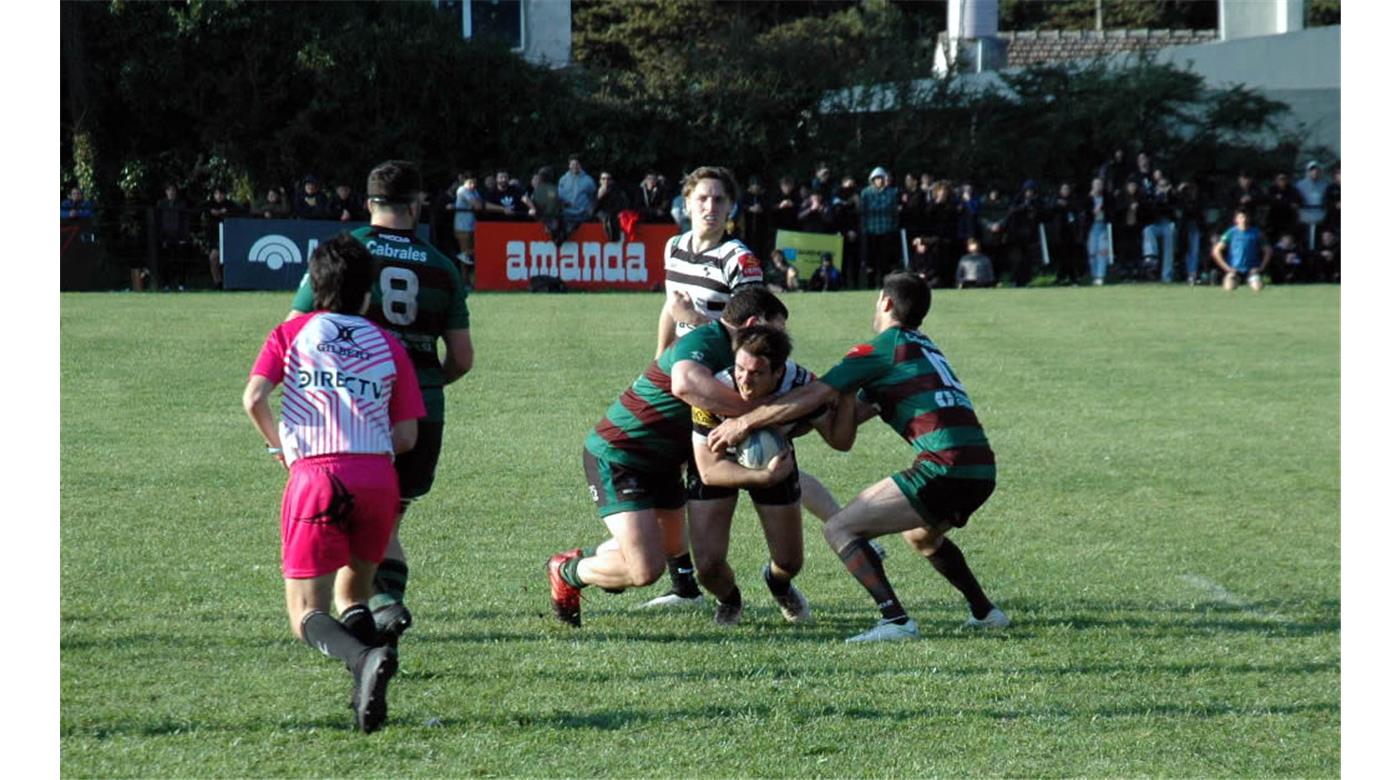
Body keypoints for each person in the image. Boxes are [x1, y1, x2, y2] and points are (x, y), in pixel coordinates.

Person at [707, 272, 1008, 642]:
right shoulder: (921, 348)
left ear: (885, 302)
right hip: (980, 469)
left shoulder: (880, 349)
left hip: (945, 466)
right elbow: (841, 423)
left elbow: (815, 394)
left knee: (840, 528)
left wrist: (744, 423)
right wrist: (792, 423)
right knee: (922, 536)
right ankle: (985, 612)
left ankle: (895, 620)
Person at [244, 233, 425, 733]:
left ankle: (364, 659)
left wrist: (281, 447)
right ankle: (369, 672)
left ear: (314, 286)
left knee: (305, 613)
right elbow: (407, 436)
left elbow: (254, 398)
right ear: (368, 294)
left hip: (317, 475)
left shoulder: (291, 333)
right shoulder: (389, 344)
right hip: (378, 478)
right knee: (355, 595)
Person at [287, 160, 474, 643]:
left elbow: (296, 330)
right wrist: (423, 385)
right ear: (417, 205)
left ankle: (375, 611)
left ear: (369, 202)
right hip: (420, 414)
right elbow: (462, 358)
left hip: (347, 412)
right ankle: (377, 612)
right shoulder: (442, 266)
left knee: (349, 521)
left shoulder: (345, 254)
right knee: (385, 520)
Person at [545, 288, 792, 627]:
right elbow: (685, 384)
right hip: (621, 455)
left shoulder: (736, 351)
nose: (780, 341)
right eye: (776, 330)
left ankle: (626, 564)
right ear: (752, 324)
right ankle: (567, 570)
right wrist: (755, 416)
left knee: (670, 545)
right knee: (644, 570)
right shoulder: (707, 341)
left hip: (664, 461)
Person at [646, 166, 768, 608]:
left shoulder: (740, 260)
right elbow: (670, 307)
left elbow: (754, 335)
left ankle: (836, 528)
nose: (710, 207)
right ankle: (684, 586)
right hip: (680, 377)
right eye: (702, 198)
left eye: (719, 199)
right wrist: (659, 358)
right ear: (686, 203)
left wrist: (696, 321)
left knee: (766, 463)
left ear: (731, 207)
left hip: (720, 385)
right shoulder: (674, 246)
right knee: (665, 471)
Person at [687, 325, 856, 626]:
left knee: (789, 562)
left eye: (756, 373)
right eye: (740, 368)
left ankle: (778, 585)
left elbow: (839, 440)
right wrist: (764, 478)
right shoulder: (714, 389)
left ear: (779, 372)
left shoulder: (799, 384)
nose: (744, 379)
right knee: (708, 567)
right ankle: (729, 600)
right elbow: (710, 472)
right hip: (718, 462)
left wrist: (847, 393)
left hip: (776, 458)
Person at [858, 167, 900, 289]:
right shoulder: (865, 193)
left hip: (886, 231)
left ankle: (884, 285)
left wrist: (893, 228)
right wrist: (864, 229)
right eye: (876, 178)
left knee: (885, 261)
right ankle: (871, 285)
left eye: (881, 178)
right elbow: (863, 213)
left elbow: (895, 213)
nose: (879, 181)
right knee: (870, 261)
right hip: (870, 232)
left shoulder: (892, 193)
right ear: (872, 180)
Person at [1211, 209, 1272, 292]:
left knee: (1258, 288)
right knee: (1229, 288)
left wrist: (1261, 267)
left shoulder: (1256, 233)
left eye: (1245, 217)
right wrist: (1227, 268)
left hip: (1251, 270)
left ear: (1249, 218)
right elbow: (1216, 251)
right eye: (1241, 217)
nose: (1243, 220)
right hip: (1235, 270)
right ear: (1236, 219)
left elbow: (1268, 250)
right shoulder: (1231, 232)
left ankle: (1252, 280)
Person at [202, 185, 243, 289]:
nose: (219, 196)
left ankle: (233, 282)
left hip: (230, 238)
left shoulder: (230, 205)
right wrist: (210, 211)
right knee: (213, 257)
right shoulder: (210, 204)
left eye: (221, 193)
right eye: (216, 194)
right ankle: (217, 283)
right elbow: (200, 208)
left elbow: (240, 210)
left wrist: (226, 212)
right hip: (215, 237)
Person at [452, 172, 483, 286]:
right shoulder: (462, 190)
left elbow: (480, 203)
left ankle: (471, 280)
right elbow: (477, 205)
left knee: (472, 254)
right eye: (470, 182)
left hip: (472, 226)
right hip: (462, 227)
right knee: (465, 255)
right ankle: (463, 281)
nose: (472, 185)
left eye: (474, 182)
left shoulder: (474, 191)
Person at [557, 154, 597, 240]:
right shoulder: (563, 180)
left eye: (577, 164)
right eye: (572, 164)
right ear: (569, 165)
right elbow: (559, 197)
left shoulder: (588, 180)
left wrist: (590, 211)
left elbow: (594, 198)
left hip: (582, 217)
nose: (575, 166)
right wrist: (563, 203)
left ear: (580, 165)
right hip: (566, 216)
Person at [1085, 177, 1114, 285]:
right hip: (1092, 227)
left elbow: (1111, 210)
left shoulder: (1107, 198)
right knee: (1092, 252)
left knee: (1102, 251)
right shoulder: (1088, 199)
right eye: (1096, 184)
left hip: (1103, 226)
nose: (1098, 187)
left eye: (1100, 184)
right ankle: (1094, 275)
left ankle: (1100, 276)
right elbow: (1084, 212)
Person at [593, 171, 629, 242]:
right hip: (601, 214)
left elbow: (622, 205)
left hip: (614, 214)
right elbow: (593, 210)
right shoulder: (596, 191)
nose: (606, 181)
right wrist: (599, 197)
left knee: (612, 219)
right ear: (600, 181)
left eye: (608, 179)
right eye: (603, 179)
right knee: (607, 218)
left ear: (611, 181)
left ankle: (614, 238)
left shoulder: (617, 191)